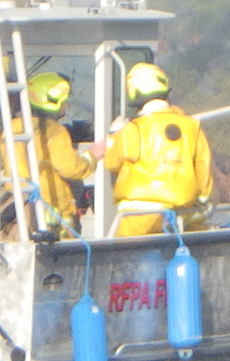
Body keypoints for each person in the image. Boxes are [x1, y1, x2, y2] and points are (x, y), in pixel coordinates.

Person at [91, 62, 212, 237]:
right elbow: (203, 166)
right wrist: (201, 201)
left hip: (138, 215)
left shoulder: (133, 128)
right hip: (184, 213)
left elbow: (111, 162)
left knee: (128, 260)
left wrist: (113, 135)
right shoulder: (191, 126)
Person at [18, 72, 95, 236]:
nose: (66, 107)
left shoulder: (12, 129)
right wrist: (92, 156)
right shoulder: (57, 132)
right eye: (64, 102)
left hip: (20, 211)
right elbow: (69, 168)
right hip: (54, 212)